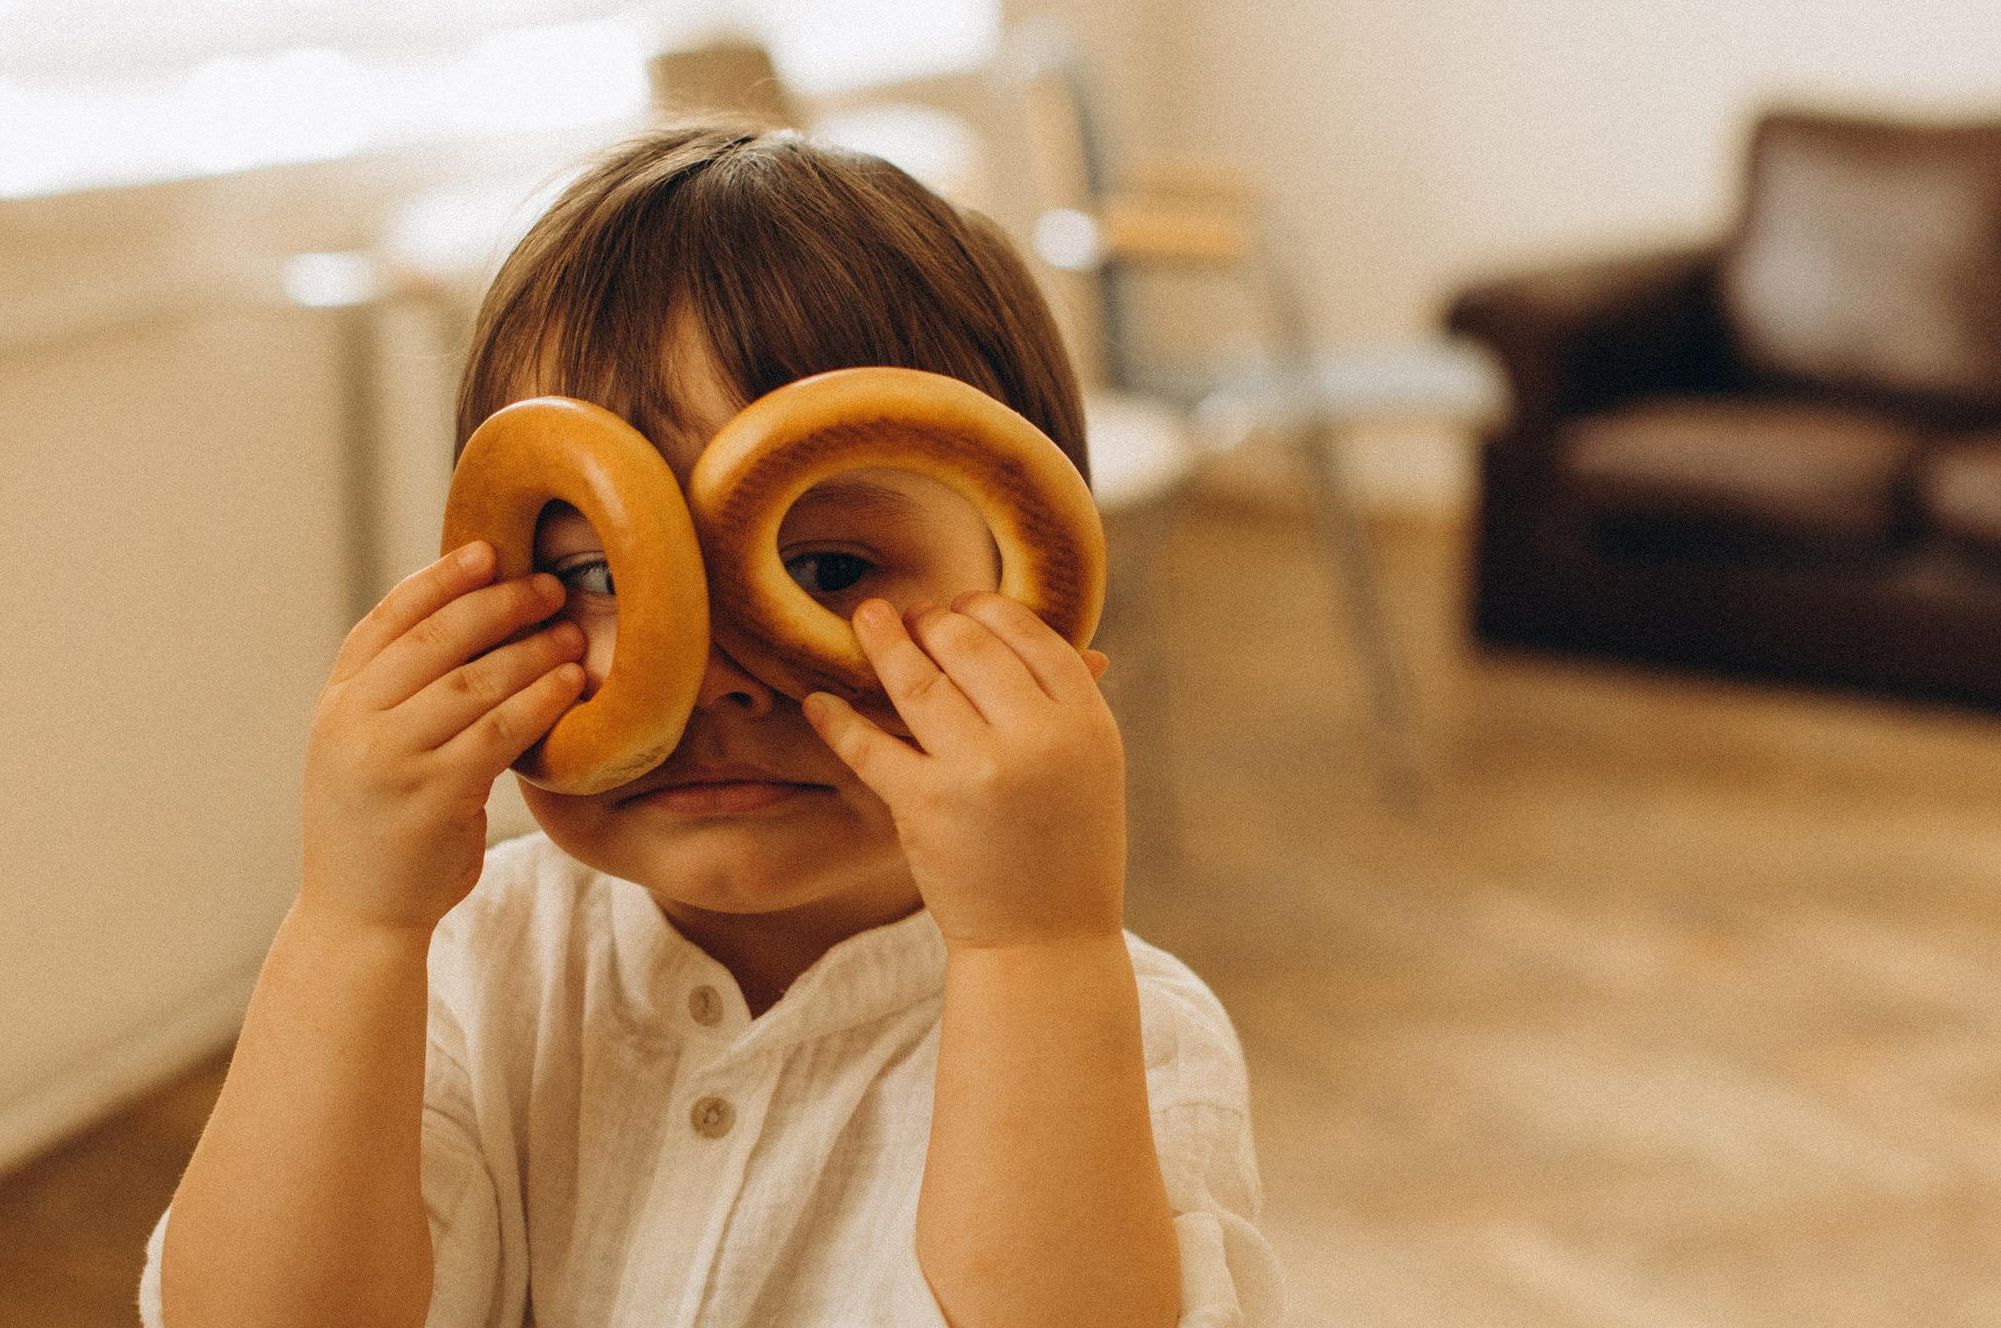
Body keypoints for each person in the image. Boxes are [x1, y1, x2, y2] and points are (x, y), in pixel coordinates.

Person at [140, 122, 1282, 1328]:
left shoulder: (1130, 1033)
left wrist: (1031, 950)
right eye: (595, 573)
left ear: (1031, 592)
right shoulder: (470, 970)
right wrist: (351, 923)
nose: (709, 675)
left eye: (829, 562)